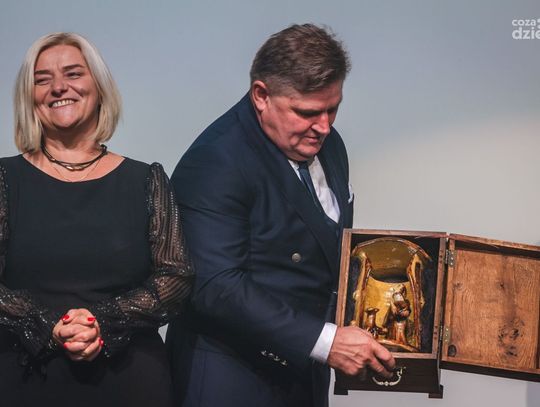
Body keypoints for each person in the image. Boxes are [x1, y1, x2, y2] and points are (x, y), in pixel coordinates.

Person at [166, 23, 395, 407]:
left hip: (304, 374)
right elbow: (216, 286)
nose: (324, 126)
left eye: (333, 109)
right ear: (261, 95)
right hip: (234, 380)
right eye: (307, 112)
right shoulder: (215, 161)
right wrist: (326, 342)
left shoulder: (328, 144)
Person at [0, 32, 193, 407]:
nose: (59, 87)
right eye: (42, 79)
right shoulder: (4, 180)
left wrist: (101, 322)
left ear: (100, 87)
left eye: (73, 74)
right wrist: (49, 327)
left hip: (131, 382)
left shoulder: (147, 179)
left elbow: (176, 276)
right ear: (29, 96)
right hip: (24, 378)